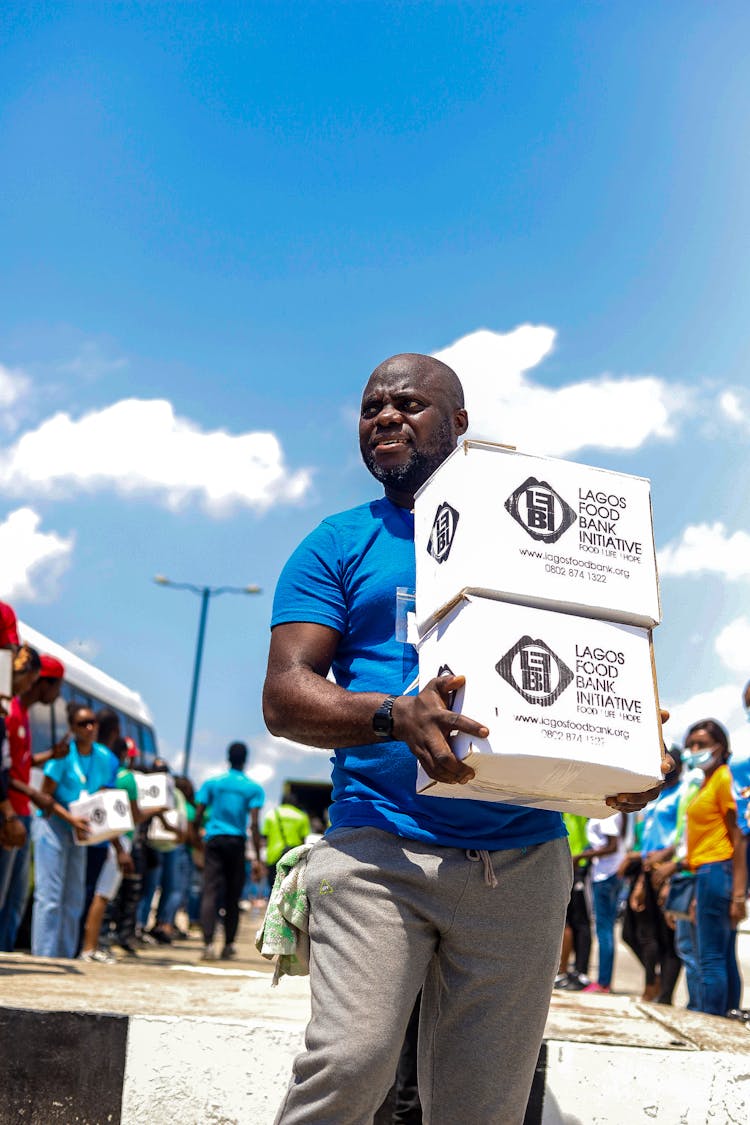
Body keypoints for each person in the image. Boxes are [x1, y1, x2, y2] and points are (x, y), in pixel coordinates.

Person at [262, 352, 667, 1124]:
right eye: (371, 406)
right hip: (378, 849)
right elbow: (286, 694)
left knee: (481, 1106)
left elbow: (606, 664)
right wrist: (394, 714)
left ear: (459, 423)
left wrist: (630, 753)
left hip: (522, 862)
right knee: (350, 1062)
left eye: (408, 404)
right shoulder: (338, 542)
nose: (384, 416)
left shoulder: (546, 541)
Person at [31, 702, 119, 958]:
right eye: (83, 723)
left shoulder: (103, 756)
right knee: (50, 895)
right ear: (72, 727)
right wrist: (70, 819)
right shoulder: (63, 754)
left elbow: (103, 792)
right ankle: (45, 954)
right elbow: (45, 795)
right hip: (54, 824)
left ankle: (66, 952)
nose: (90, 728)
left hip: (82, 830)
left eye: (93, 722)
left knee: (74, 895)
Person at [0, 654, 72, 951]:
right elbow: (3, 772)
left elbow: (20, 764)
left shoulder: (24, 716)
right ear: (42, 683)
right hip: (11, 811)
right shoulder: (13, 712)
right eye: (57, 688)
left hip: (21, 810)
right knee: (5, 894)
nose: (58, 697)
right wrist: (33, 795)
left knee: (15, 896)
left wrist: (49, 757)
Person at [680, 719, 747, 1017]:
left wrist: (738, 894)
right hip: (708, 872)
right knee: (723, 953)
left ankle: (711, 1021)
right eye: (690, 744)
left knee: (710, 957)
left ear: (720, 747)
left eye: (702, 745)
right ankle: (728, 1016)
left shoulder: (722, 779)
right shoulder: (706, 782)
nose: (694, 750)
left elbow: (739, 835)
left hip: (717, 869)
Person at [193, 741, 264, 960]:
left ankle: (207, 945)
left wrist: (196, 839)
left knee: (210, 892)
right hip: (236, 842)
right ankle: (228, 945)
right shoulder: (253, 788)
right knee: (233, 895)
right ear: (245, 759)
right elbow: (253, 824)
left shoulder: (213, 783)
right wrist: (259, 858)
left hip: (214, 840)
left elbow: (198, 815)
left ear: (228, 757)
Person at [555, 813, 592, 991]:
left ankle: (578, 972)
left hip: (578, 862)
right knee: (570, 921)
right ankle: (566, 971)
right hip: (567, 860)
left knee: (577, 923)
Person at [262, 791, 311, 889]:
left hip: (273, 856)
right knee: (291, 888)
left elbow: (265, 838)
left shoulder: (271, 815)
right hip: (294, 856)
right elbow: (303, 840)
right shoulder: (301, 816)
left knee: (273, 887)